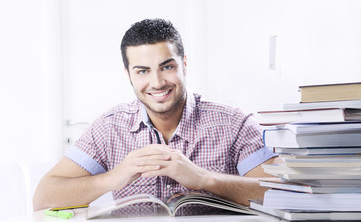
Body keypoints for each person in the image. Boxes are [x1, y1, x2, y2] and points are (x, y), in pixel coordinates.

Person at [33, 18, 281, 211]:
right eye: (142, 71)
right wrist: (115, 177)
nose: (157, 82)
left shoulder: (234, 122)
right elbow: (44, 198)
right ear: (128, 73)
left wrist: (203, 179)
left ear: (184, 63)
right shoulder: (109, 126)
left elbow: (282, 195)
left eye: (167, 67)